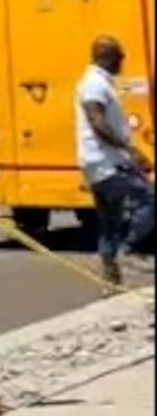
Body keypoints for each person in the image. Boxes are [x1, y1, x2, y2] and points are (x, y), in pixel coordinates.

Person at [75, 36, 155, 286]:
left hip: (101, 163)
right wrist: (129, 149)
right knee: (149, 197)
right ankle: (131, 251)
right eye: (120, 57)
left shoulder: (100, 82)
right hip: (104, 163)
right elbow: (97, 121)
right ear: (107, 57)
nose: (122, 62)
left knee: (110, 220)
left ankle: (111, 280)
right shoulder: (94, 84)